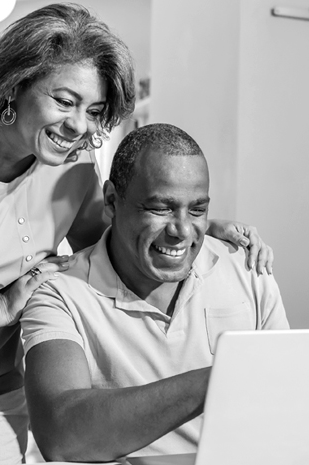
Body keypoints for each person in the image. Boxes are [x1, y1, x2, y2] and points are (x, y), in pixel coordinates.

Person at [0, 3, 272, 464]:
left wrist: (189, 226)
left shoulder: (72, 163)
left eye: (94, 110)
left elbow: (110, 241)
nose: (79, 126)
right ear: (15, 82)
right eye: (64, 101)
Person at [21, 123, 289, 462]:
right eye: (160, 209)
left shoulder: (248, 268)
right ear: (112, 201)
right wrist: (224, 375)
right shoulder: (60, 293)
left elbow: (285, 407)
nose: (182, 231)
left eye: (197, 210)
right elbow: (61, 434)